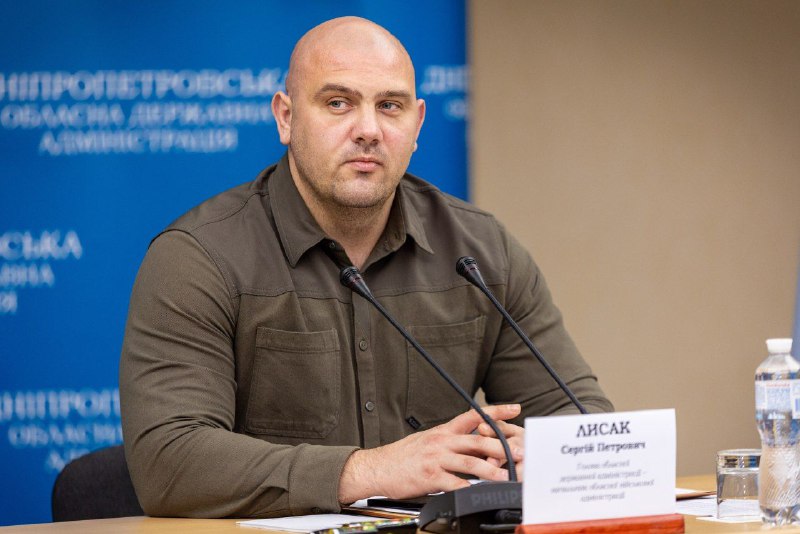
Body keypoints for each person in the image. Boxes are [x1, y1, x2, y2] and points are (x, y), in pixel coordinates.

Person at [119, 16, 613, 518]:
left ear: (417, 125)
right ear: (286, 118)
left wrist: (542, 458)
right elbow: (169, 461)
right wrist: (371, 470)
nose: (369, 131)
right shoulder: (200, 257)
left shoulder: (481, 253)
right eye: (338, 103)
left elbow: (584, 425)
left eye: (390, 106)